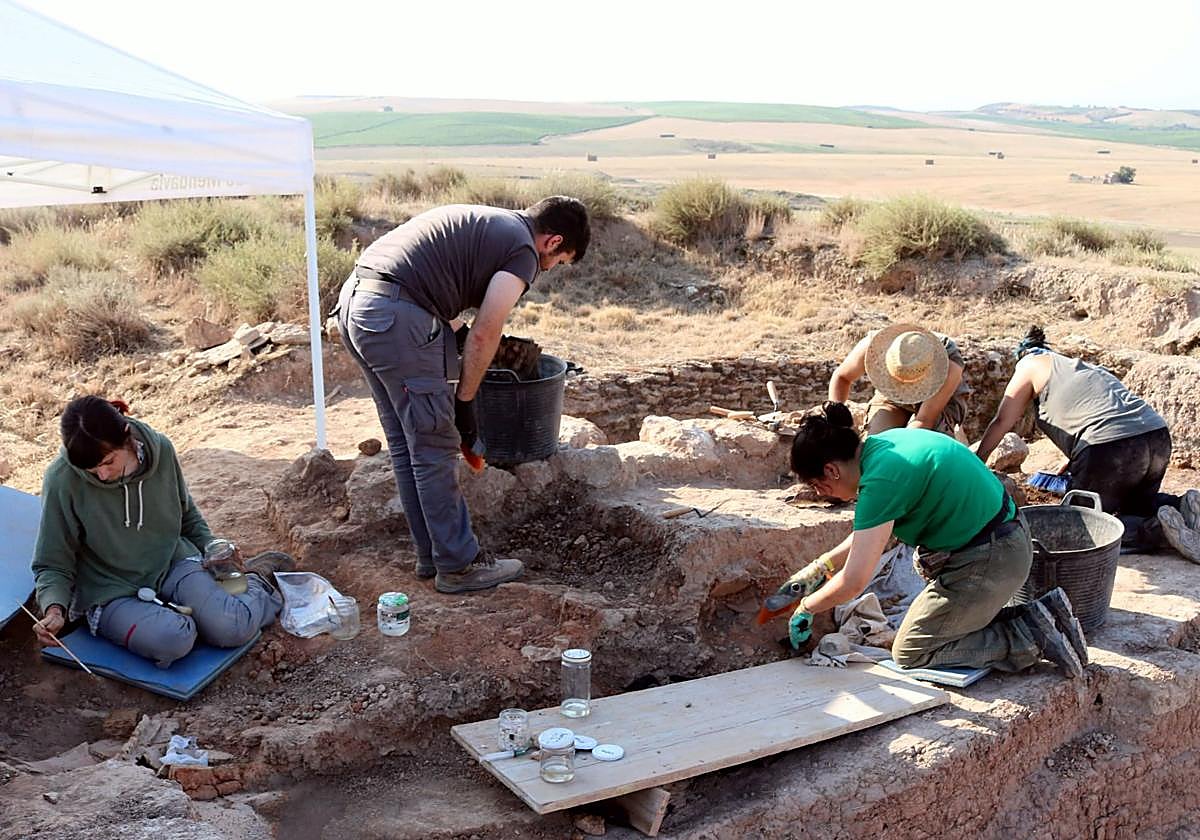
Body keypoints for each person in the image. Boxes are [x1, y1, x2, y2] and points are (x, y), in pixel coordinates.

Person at [336, 196, 590, 594]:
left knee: (409, 444)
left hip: (358, 305)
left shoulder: (490, 223)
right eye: (559, 261)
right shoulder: (524, 251)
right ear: (553, 242)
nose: (550, 268)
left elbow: (428, 277)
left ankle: (432, 555)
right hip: (395, 317)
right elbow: (487, 329)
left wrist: (456, 334)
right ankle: (459, 566)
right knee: (436, 445)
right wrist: (466, 402)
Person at [766, 402, 1088, 678]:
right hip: (1003, 540)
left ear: (831, 471)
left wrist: (807, 606)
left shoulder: (881, 481)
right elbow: (868, 536)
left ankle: (1029, 638)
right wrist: (819, 567)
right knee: (932, 627)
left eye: (818, 486)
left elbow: (854, 582)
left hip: (990, 558)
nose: (822, 495)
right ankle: (1043, 615)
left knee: (911, 651)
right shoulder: (885, 447)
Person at [31, 397, 289, 669]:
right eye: (92, 469)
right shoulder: (62, 479)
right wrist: (54, 608)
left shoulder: (161, 450)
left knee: (231, 627)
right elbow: (52, 561)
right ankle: (183, 618)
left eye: (108, 462)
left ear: (126, 437)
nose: (102, 475)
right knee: (172, 640)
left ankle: (258, 580)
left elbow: (187, 516)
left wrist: (212, 546)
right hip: (110, 590)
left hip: (171, 562)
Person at [975, 326, 1199, 557]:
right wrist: (1077, 459)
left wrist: (975, 462)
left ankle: (1157, 532)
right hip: (1156, 436)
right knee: (1137, 505)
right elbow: (1097, 410)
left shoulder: (1029, 364)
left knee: (1079, 528)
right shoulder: (1082, 368)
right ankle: (1181, 507)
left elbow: (1002, 420)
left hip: (1113, 448)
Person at [828, 323, 970, 436]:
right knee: (876, 443)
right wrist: (838, 424)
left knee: (925, 446)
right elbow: (841, 377)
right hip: (892, 396)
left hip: (938, 398)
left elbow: (924, 420)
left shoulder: (949, 364)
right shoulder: (874, 346)